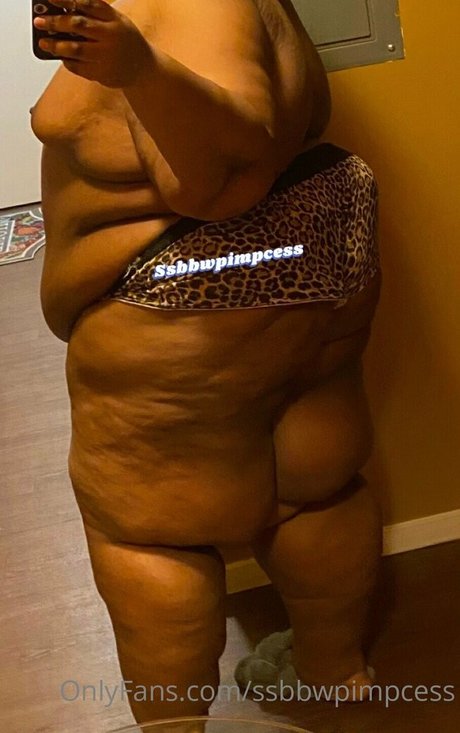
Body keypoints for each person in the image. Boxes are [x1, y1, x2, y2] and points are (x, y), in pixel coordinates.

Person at [31, 0, 382, 724]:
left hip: (196, 282)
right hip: (317, 236)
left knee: (147, 530)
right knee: (312, 480)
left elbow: (222, 179)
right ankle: (333, 670)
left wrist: (137, 67)